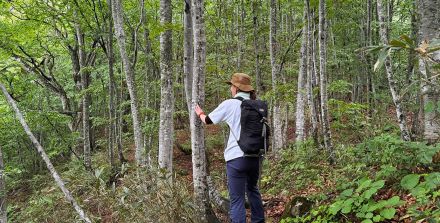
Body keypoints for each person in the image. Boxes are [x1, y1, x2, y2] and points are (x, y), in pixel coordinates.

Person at [195, 73, 265, 223]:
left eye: (231, 86)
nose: (230, 89)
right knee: (253, 190)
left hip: (236, 158)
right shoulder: (258, 106)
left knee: (237, 199)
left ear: (235, 88)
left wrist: (199, 113)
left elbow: (208, 121)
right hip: (255, 157)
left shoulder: (229, 104)